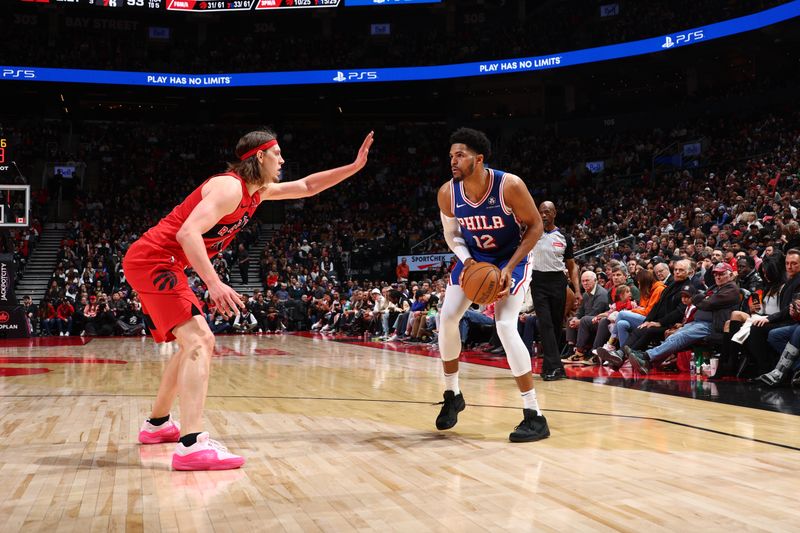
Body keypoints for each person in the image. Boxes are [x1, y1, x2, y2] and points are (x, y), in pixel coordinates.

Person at [124, 129, 373, 470]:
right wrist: (213, 283)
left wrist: (354, 166)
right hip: (155, 260)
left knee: (189, 344)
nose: (283, 161)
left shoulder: (258, 192)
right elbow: (187, 233)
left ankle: (157, 426)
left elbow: (307, 186)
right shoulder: (229, 187)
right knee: (200, 340)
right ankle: (192, 446)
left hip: (162, 262)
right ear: (260, 156)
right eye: (278, 154)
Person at [436, 127, 548, 442]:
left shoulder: (508, 186)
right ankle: (452, 395)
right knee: (446, 318)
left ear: (479, 158)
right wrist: (467, 260)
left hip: (512, 259)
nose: (453, 161)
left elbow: (536, 226)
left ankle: (534, 415)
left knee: (505, 325)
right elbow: (452, 235)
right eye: (451, 156)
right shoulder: (448, 193)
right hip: (474, 261)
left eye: (460, 155)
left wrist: (510, 267)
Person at [529, 201, 580, 380]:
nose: (544, 215)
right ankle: (554, 367)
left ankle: (551, 367)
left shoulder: (564, 237)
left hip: (558, 282)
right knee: (545, 324)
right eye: (541, 212)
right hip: (538, 281)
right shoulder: (532, 233)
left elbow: (572, 266)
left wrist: (578, 290)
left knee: (557, 325)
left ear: (554, 214)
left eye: (547, 212)